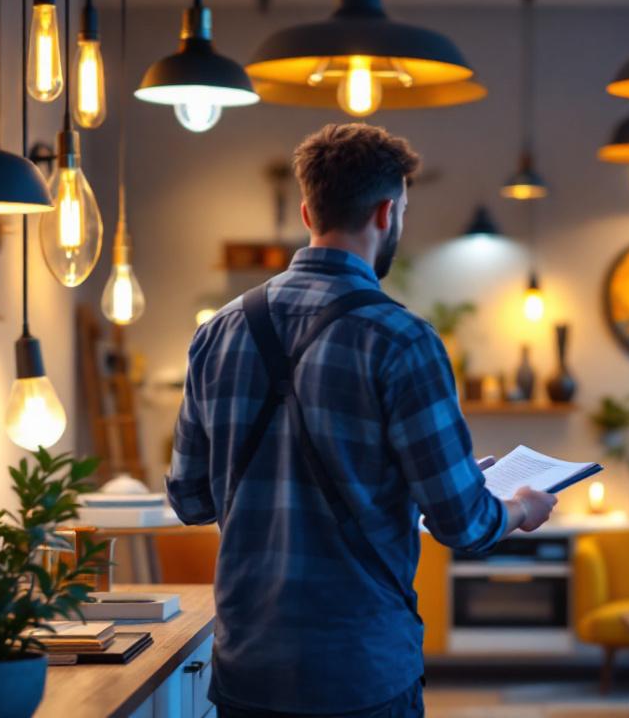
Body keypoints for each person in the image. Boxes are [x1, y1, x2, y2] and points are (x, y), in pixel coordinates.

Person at [167, 123, 559, 718]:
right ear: (386, 212)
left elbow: (190, 500)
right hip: (359, 670)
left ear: (306, 210)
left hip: (248, 667)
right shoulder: (403, 340)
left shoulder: (217, 332)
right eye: (401, 208)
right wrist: (523, 506)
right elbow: (465, 523)